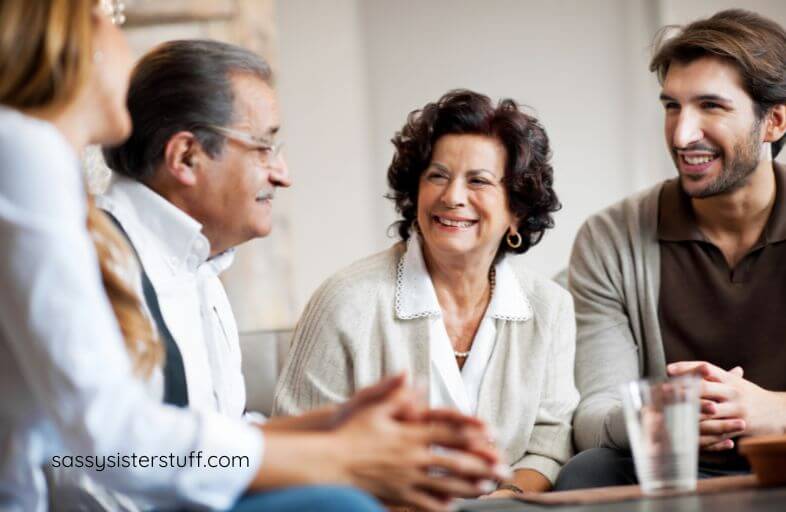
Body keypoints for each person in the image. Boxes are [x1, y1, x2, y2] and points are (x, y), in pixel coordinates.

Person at [0, 2, 506, 511]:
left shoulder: (200, 268)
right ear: (186, 158)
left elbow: (208, 434)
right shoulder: (41, 171)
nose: (283, 174)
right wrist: (340, 457)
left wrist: (333, 428)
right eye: (263, 147)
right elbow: (101, 459)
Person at [274, 89, 579, 497]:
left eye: (478, 181)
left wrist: (502, 503)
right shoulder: (346, 300)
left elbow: (550, 443)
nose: (452, 197)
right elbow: (297, 453)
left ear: (516, 211)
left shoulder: (550, 306)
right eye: (437, 175)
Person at [557, 9, 786, 490]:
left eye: (711, 107)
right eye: (672, 107)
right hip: (676, 469)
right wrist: (671, 413)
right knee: (587, 471)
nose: (682, 136)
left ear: (775, 121)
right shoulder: (610, 238)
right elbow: (593, 415)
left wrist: (772, 410)